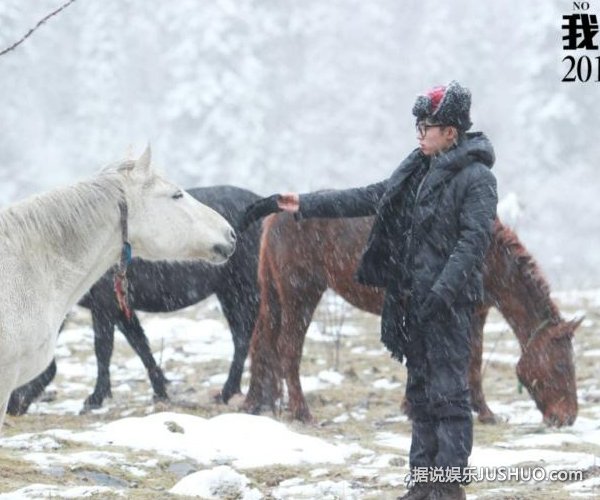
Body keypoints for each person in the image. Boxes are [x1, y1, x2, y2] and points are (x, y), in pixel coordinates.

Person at [242, 81, 497, 500]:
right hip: (414, 304)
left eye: (427, 126)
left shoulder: (477, 180)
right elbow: (372, 196)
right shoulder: (417, 169)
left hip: (447, 308)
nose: (419, 133)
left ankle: (448, 492)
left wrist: (440, 293)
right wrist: (304, 203)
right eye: (418, 125)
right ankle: (422, 486)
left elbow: (472, 245)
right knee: (421, 397)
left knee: (449, 400)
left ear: (451, 131)